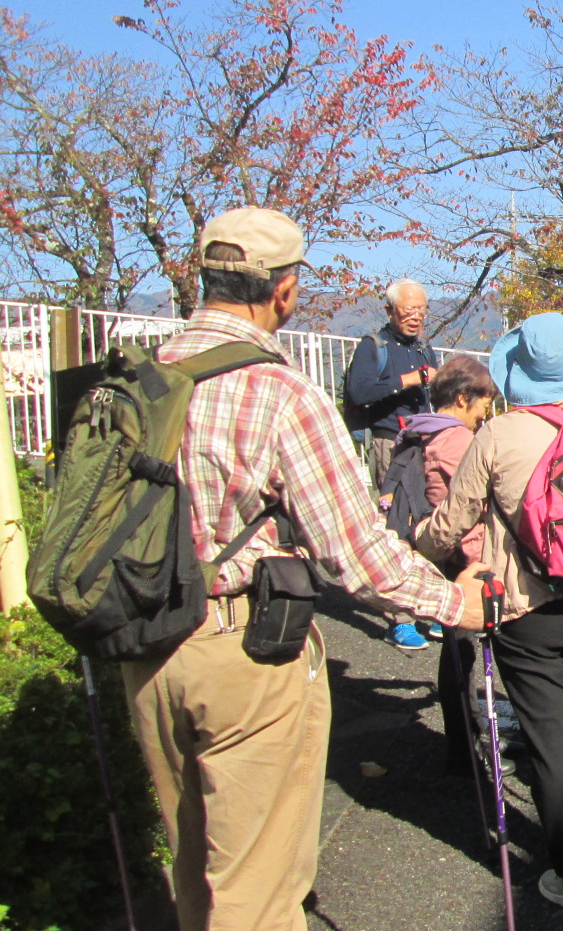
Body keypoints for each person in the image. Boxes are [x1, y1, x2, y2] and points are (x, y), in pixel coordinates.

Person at [121, 207, 484, 931]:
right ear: (284, 292)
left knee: (193, 872)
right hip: (241, 652)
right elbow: (354, 553)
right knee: (256, 893)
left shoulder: (140, 378)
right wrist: (453, 604)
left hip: (142, 644)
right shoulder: (280, 392)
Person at [415, 312, 563, 917]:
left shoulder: (499, 434)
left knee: (550, 742)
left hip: (527, 610)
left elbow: (455, 521)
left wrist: (417, 543)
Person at [382, 354, 500, 774]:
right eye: (484, 403)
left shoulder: (418, 432)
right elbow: (464, 508)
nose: (486, 413)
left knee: (457, 654)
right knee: (466, 656)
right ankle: (469, 749)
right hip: (464, 559)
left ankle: (466, 746)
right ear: (464, 397)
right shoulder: (455, 440)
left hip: (439, 554)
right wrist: (482, 563)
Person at [345, 277, 440, 650]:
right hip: (389, 444)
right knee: (395, 527)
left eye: (421, 310)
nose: (416, 317)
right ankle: (399, 619)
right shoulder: (374, 347)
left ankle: (427, 610)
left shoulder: (425, 348)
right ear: (390, 310)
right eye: (408, 310)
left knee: (428, 524)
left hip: (423, 444)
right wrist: (408, 379)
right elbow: (359, 390)